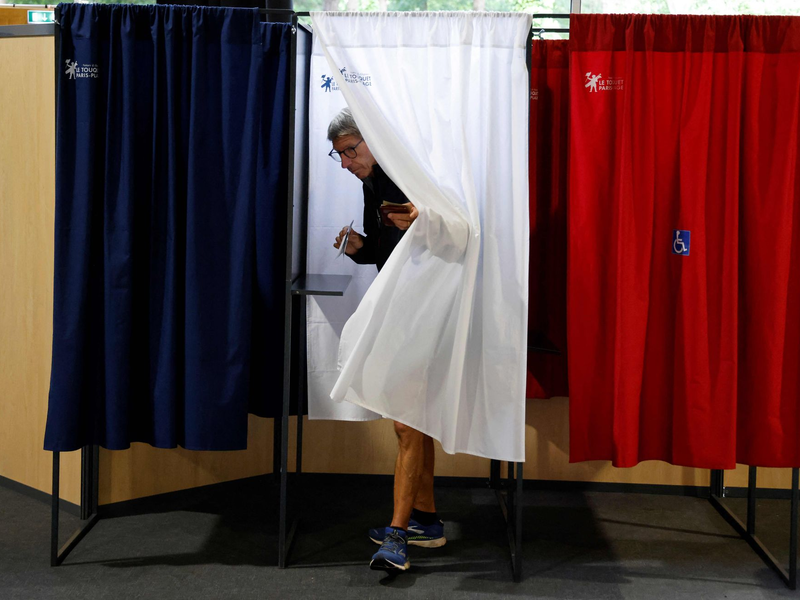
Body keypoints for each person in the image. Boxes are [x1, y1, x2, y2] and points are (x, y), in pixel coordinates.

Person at [328, 108, 446, 572]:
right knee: (413, 419)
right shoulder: (371, 184)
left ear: (374, 141)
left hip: (424, 308)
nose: (345, 162)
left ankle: (398, 534)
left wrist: (425, 218)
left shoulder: (413, 175)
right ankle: (427, 522)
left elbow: (459, 229)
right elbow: (385, 250)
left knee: (405, 423)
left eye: (350, 151)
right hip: (399, 306)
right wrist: (361, 247)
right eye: (339, 155)